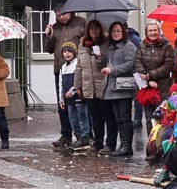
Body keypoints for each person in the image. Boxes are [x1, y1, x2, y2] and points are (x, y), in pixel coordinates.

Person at [45, 7, 86, 148]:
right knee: (62, 103)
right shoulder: (54, 27)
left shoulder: (81, 23)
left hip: (78, 69)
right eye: (58, 13)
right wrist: (49, 37)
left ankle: (84, 134)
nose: (61, 16)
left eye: (64, 13)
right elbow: (49, 49)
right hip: (61, 69)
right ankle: (66, 134)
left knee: (80, 104)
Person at [74, 20, 113, 153]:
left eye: (97, 29)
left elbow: (107, 63)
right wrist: (77, 85)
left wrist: (99, 57)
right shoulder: (82, 45)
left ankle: (110, 143)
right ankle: (98, 142)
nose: (94, 32)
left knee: (107, 115)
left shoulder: (106, 44)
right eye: (91, 29)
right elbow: (79, 66)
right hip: (88, 86)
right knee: (95, 116)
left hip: (102, 85)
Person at [101, 21, 138, 157]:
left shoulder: (129, 46)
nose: (116, 34)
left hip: (123, 88)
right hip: (112, 88)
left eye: (118, 31)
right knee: (118, 119)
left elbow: (130, 64)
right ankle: (122, 144)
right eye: (113, 31)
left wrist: (113, 69)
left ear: (123, 32)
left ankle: (127, 146)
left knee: (124, 118)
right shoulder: (111, 48)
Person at [134, 20, 176, 137]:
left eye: (155, 30)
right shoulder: (141, 46)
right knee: (149, 119)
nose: (153, 33)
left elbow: (169, 65)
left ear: (159, 31)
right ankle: (151, 146)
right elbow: (137, 63)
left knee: (162, 119)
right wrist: (148, 79)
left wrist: (151, 75)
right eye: (150, 30)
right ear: (146, 32)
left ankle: (162, 145)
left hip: (162, 88)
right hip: (146, 89)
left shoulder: (167, 46)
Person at [58, 42, 90, 150]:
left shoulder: (77, 64)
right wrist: (61, 99)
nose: (67, 54)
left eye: (69, 52)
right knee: (72, 118)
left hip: (77, 96)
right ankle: (78, 136)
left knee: (82, 116)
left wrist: (73, 90)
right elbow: (61, 83)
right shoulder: (63, 67)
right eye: (65, 52)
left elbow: (79, 79)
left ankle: (85, 136)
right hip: (68, 99)